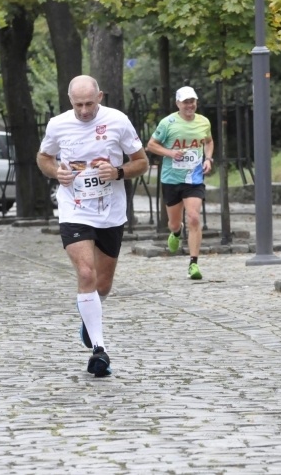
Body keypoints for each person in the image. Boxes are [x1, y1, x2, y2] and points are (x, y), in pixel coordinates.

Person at [37, 75, 149, 377]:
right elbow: (44, 157)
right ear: (69, 100)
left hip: (110, 212)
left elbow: (142, 162)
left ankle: (89, 319)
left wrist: (117, 171)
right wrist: (55, 173)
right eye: (78, 105)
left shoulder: (118, 121)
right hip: (74, 210)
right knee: (85, 273)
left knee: (102, 285)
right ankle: (99, 351)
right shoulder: (58, 124)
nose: (84, 110)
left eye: (89, 103)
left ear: (99, 96)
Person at [146, 86, 214, 280]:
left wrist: (208, 159)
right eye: (185, 102)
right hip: (171, 178)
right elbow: (151, 145)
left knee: (193, 217)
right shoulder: (168, 123)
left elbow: (208, 141)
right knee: (175, 222)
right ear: (178, 104)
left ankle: (193, 263)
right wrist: (170, 153)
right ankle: (176, 233)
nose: (189, 105)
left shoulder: (203, 122)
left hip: (194, 178)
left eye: (192, 101)